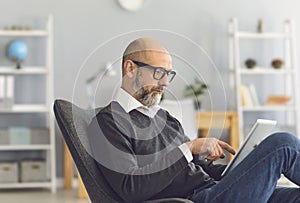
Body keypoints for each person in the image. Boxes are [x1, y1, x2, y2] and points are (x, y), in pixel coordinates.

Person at [87, 38, 300, 203]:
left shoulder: (165, 118)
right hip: (198, 199)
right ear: (130, 69)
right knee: (283, 145)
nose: (165, 82)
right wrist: (189, 147)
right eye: (158, 72)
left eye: (168, 74)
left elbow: (197, 169)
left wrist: (241, 167)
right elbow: (131, 188)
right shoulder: (108, 122)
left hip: (216, 189)